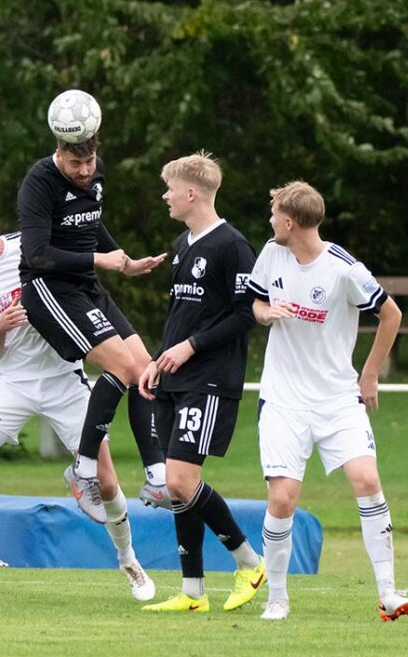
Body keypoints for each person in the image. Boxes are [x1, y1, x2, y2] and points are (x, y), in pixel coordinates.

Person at [0, 200, 155, 600]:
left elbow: (79, 268)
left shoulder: (29, 244)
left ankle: (129, 561)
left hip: (63, 378)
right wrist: (0, 327)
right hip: (14, 384)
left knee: (106, 483)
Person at [248, 180, 408, 621]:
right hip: (283, 398)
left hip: (337, 398)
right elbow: (256, 303)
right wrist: (269, 313)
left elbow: (391, 313)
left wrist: (370, 372)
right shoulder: (272, 253)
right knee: (283, 499)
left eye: (274, 215)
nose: (270, 222)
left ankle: (388, 593)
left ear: (289, 221)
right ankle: (277, 599)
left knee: (366, 479)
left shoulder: (343, 268)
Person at [17, 131, 168, 524]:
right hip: (49, 290)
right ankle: (83, 470)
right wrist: (100, 261)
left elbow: (92, 227)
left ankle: (156, 477)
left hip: (87, 287)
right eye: (75, 164)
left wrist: (126, 261)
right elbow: (37, 253)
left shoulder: (95, 175)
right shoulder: (39, 182)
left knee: (146, 371)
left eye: (90, 163)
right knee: (123, 367)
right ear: (59, 152)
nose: (84, 172)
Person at [137, 152, 265, 614]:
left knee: (181, 480)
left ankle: (250, 563)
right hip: (176, 378)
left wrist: (190, 347)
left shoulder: (232, 246)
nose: (165, 196)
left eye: (170, 188)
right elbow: (182, 314)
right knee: (177, 487)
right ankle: (193, 593)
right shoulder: (182, 243)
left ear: (192, 193)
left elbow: (244, 314)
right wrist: (158, 359)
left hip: (210, 380)